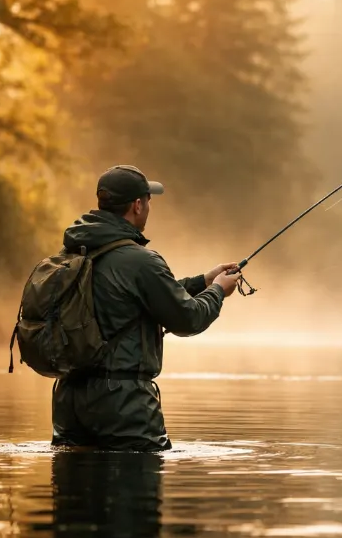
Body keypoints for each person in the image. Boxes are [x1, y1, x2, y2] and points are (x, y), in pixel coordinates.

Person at [50, 165, 241, 451]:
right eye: (148, 200)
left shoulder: (75, 252)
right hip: (124, 407)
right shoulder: (140, 260)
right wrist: (218, 292)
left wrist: (204, 281)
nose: (149, 207)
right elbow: (187, 318)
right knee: (137, 486)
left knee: (75, 490)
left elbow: (134, 299)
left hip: (69, 401)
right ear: (137, 205)